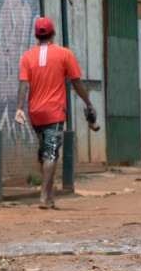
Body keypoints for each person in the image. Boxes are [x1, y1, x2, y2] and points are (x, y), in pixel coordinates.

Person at [16, 16, 97, 209]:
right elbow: (76, 82)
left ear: (36, 35)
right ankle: (44, 196)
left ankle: (49, 194)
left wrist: (19, 108)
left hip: (35, 112)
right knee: (51, 153)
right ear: (53, 33)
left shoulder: (27, 57)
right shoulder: (64, 54)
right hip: (55, 113)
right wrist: (88, 102)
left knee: (44, 151)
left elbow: (23, 84)